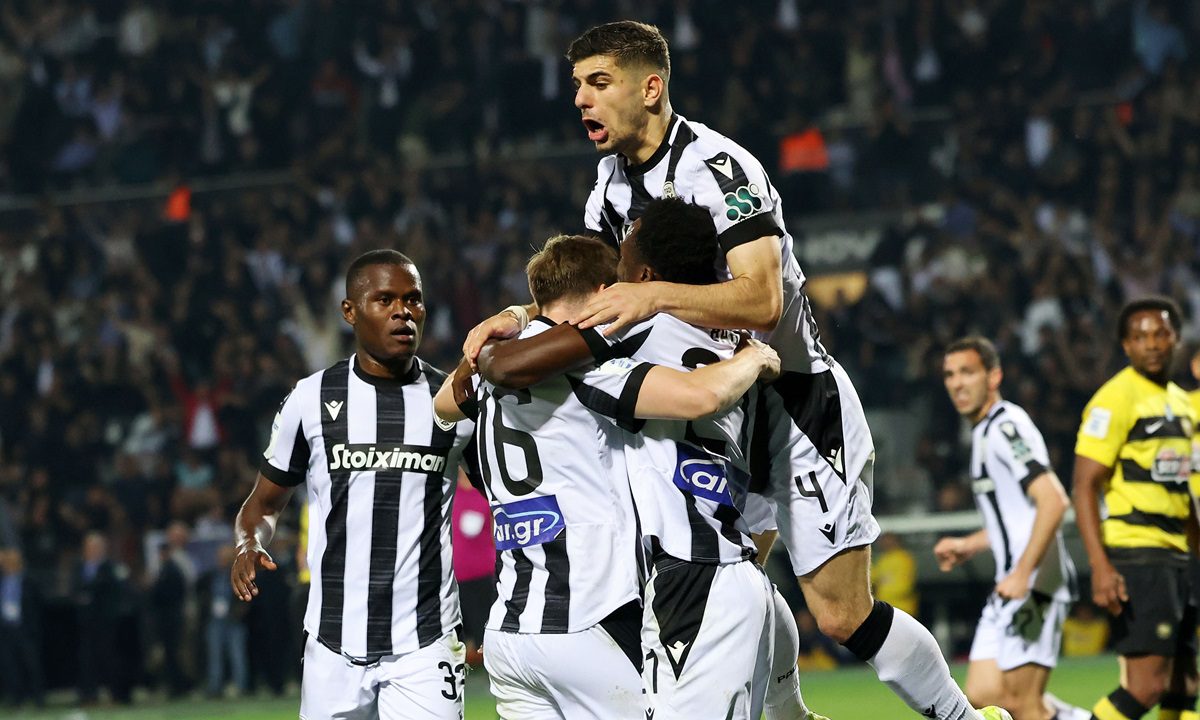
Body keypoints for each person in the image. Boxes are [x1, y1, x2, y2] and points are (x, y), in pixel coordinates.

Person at [464, 20, 1003, 720]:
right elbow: (591, 290)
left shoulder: (720, 168)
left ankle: (963, 717)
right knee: (727, 577)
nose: (581, 101)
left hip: (791, 402)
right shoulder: (608, 185)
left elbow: (762, 298)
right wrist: (522, 312)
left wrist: (654, 296)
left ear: (649, 88)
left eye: (599, 83)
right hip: (710, 410)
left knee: (841, 614)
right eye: (577, 87)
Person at [466, 202, 813, 720]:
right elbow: (764, 495)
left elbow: (495, 370)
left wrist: (515, 324)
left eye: (624, 252)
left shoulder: (626, 336)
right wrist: (754, 356)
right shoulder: (734, 345)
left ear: (644, 279)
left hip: (678, 580)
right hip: (728, 567)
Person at [231, 250, 476, 720]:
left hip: (426, 643)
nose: (403, 312)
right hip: (333, 645)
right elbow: (263, 503)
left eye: (413, 300)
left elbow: (500, 495)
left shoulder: (453, 402)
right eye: (385, 300)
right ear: (350, 311)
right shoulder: (311, 399)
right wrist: (249, 542)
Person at [936, 337, 1086, 720]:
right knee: (982, 696)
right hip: (1012, 582)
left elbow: (1053, 501)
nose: (957, 383)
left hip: (1035, 584)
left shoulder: (1007, 428)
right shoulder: (983, 432)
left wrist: (1023, 574)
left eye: (967, 372)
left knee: (1021, 704)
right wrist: (970, 544)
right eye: (950, 375)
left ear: (994, 376)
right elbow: (1017, 518)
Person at [1073, 297, 1199, 720]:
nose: (1153, 344)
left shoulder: (1181, 403)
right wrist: (1100, 566)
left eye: (1161, 334)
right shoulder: (1114, 399)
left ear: (1176, 338)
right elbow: (1084, 485)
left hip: (1178, 555)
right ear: (1126, 346)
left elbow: (1181, 490)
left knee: (1185, 683)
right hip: (1138, 553)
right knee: (1146, 686)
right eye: (1141, 337)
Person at [0, 547, 44, 709]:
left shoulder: (29, 581)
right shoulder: (2, 581)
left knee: (32, 665)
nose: (9, 565)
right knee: (10, 665)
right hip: (6, 629)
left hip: (25, 629)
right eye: (7, 562)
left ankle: (39, 698)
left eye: (13, 562)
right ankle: (17, 698)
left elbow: (38, 605)